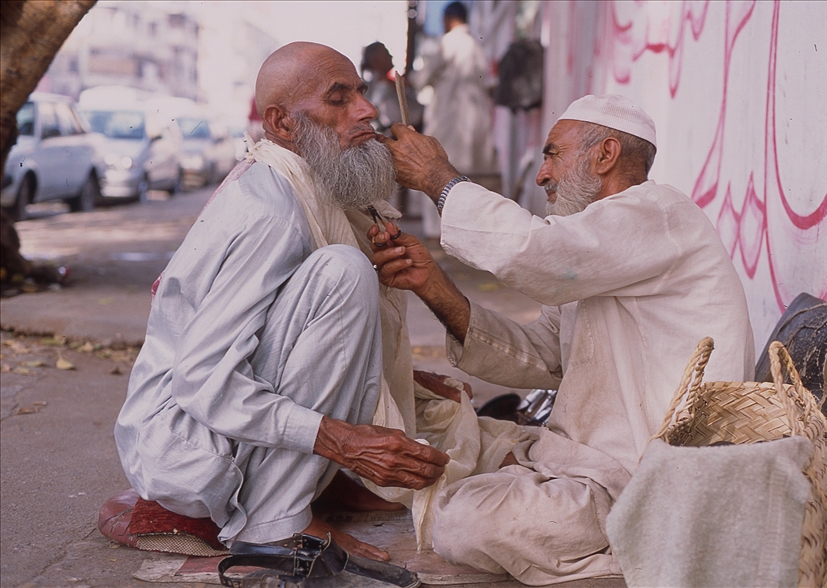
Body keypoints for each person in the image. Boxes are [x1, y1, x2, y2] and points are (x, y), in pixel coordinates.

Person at [370, 94, 756, 583]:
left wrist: (436, 177)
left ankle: (649, 542)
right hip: (586, 461)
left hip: (642, 482)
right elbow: (542, 358)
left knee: (460, 523)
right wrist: (431, 284)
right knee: (439, 427)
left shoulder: (656, 214)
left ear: (605, 154)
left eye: (553, 153)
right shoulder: (594, 243)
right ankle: (532, 475)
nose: (541, 174)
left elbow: (531, 250)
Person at [113, 42, 453, 562]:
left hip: (214, 421)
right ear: (282, 123)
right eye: (338, 99)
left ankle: (287, 491)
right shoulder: (270, 210)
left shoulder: (303, 185)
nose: (365, 110)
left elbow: (298, 332)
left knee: (353, 276)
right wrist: (342, 441)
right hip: (186, 445)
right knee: (342, 271)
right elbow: (204, 380)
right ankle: (275, 521)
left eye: (361, 93)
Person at [412, 0, 498, 237]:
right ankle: (468, 230)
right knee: (470, 175)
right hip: (475, 120)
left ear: (447, 20)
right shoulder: (477, 46)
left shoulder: (449, 42)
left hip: (449, 120)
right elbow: (488, 83)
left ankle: (437, 230)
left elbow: (422, 78)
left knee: (437, 169)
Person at [360, 42, 423, 135]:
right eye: (386, 53)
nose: (390, 56)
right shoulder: (381, 86)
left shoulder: (384, 84)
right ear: (375, 60)